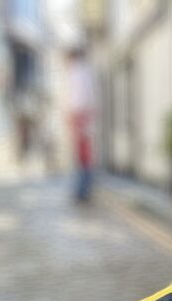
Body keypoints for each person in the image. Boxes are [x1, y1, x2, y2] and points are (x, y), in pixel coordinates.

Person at [65, 46, 96, 203]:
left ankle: (82, 190)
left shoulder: (77, 72)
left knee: (83, 156)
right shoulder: (84, 72)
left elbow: (78, 100)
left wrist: (75, 120)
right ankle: (83, 189)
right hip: (84, 118)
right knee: (84, 156)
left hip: (81, 118)